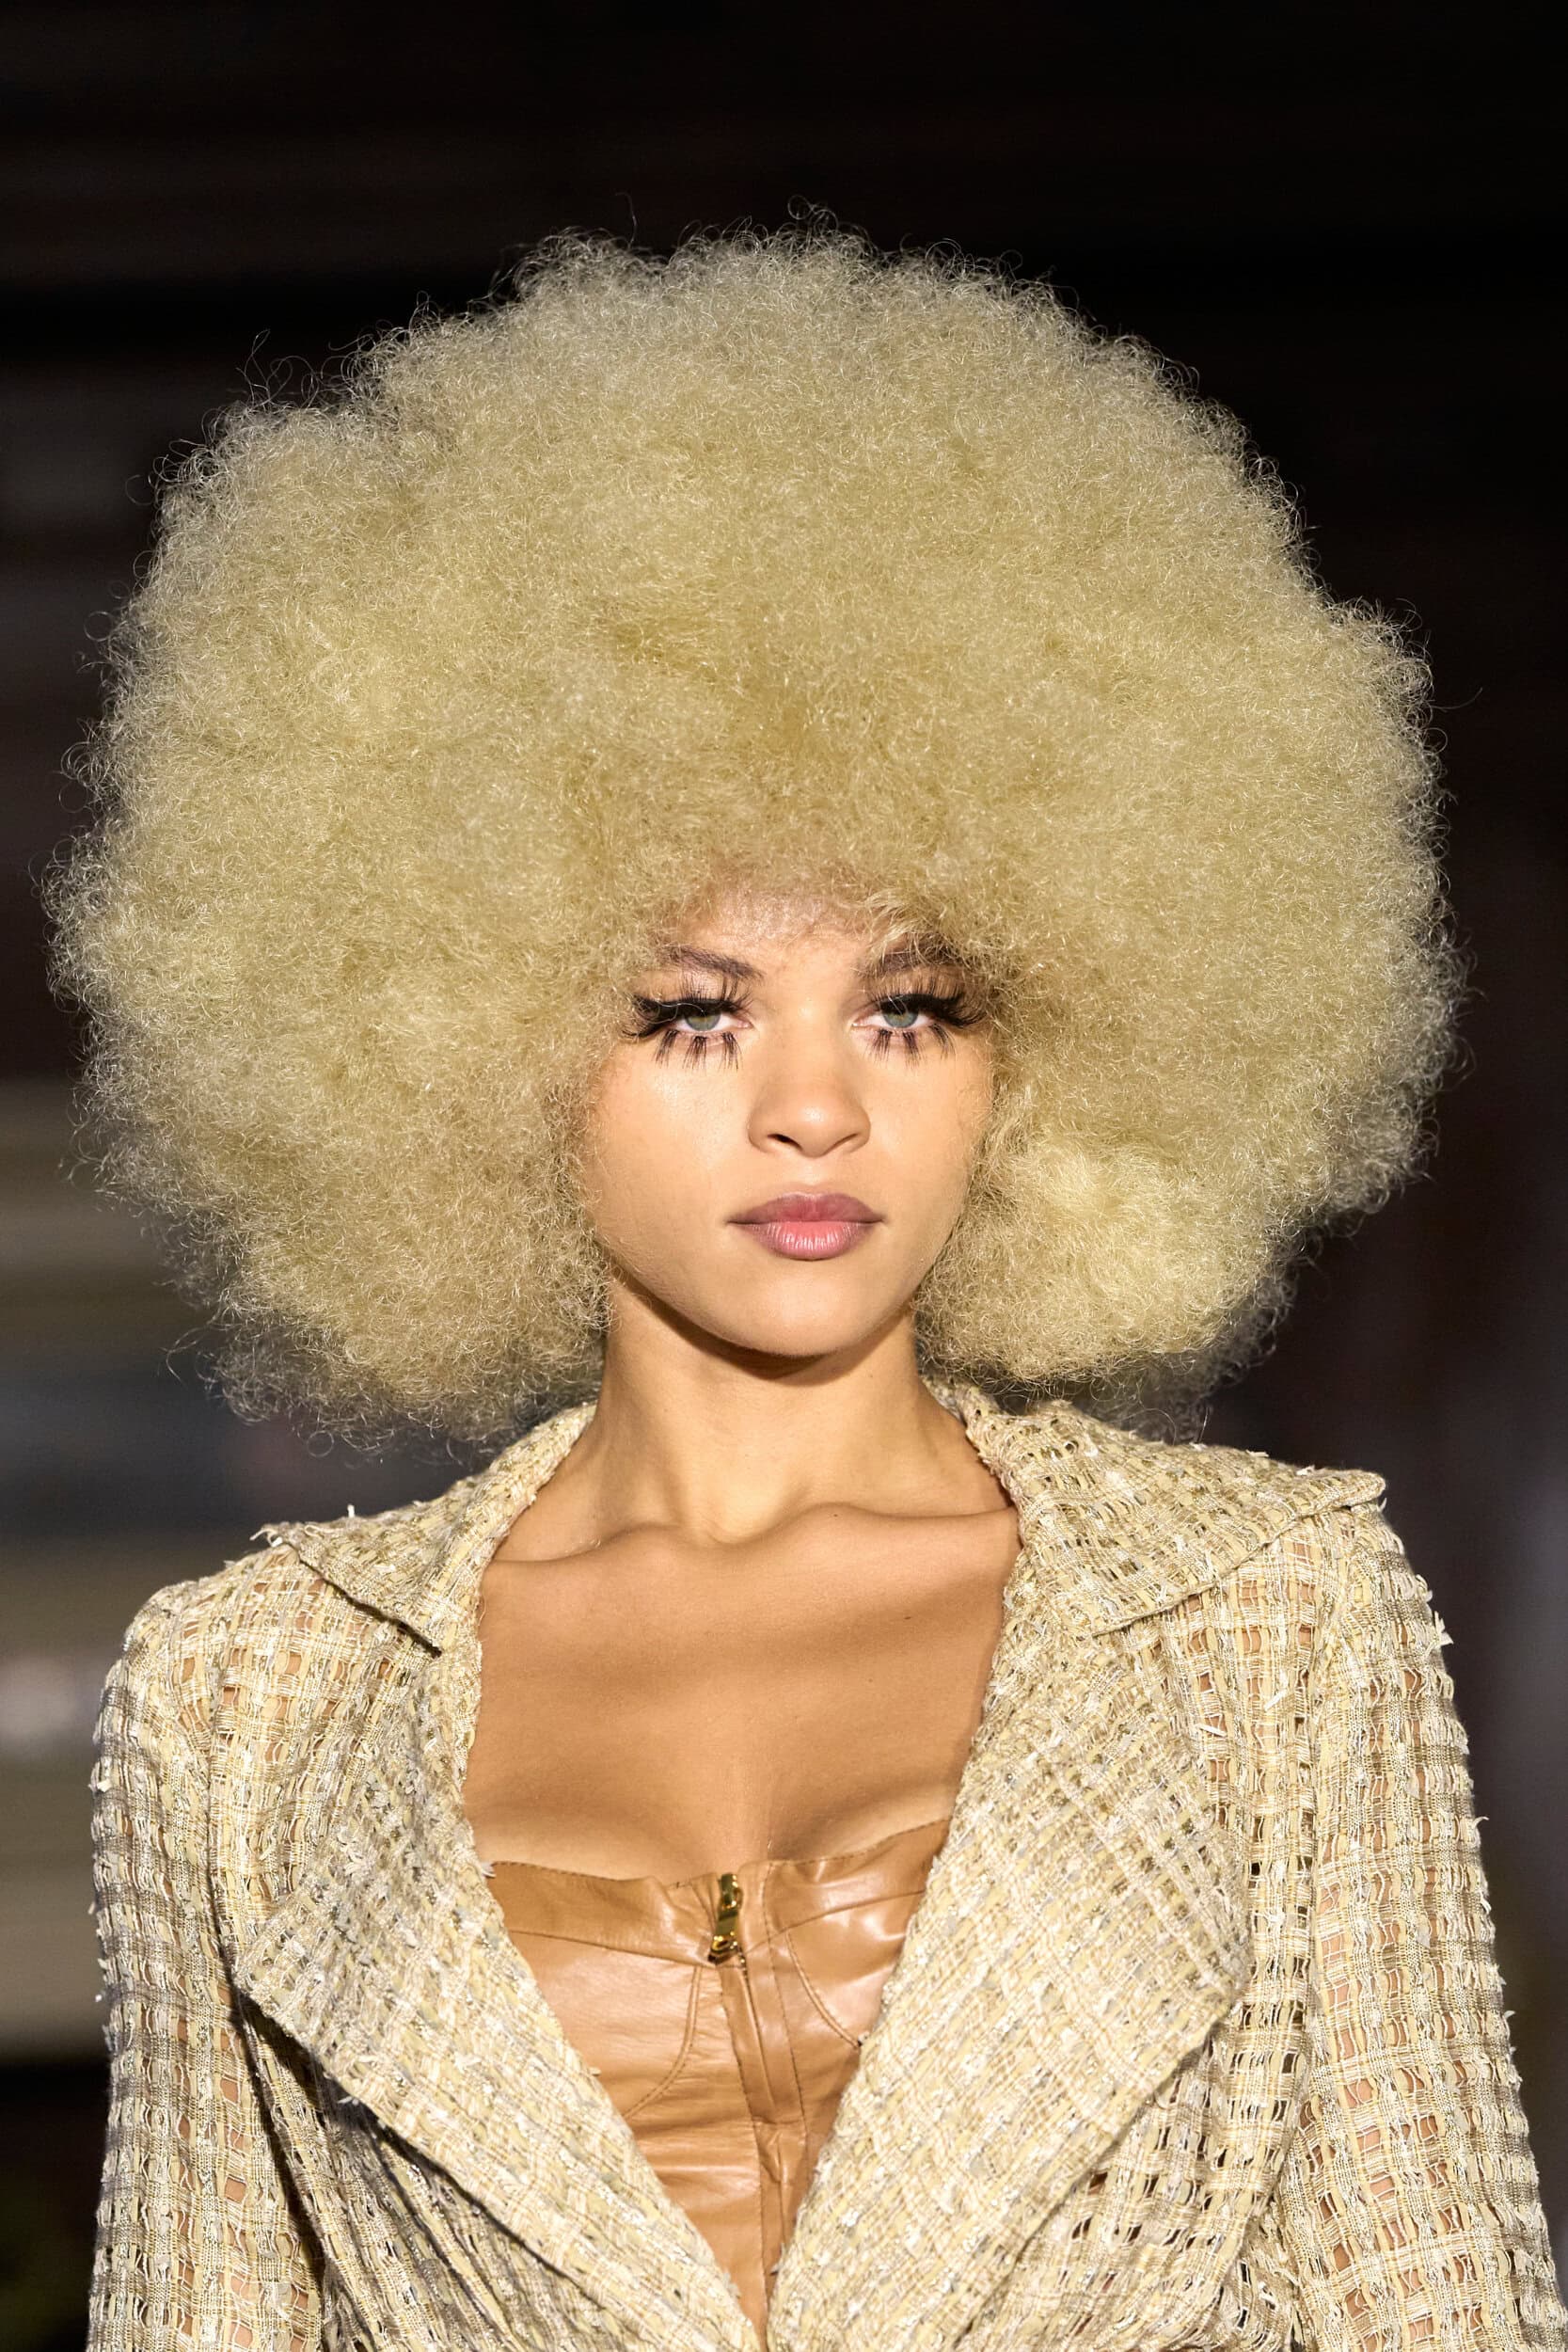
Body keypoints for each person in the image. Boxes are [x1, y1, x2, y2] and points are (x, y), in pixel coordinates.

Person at [52, 226, 1564, 2351]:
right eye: (693, 1012)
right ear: (458, 1029)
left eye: (911, 1005)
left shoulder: (1271, 1623)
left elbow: (1438, 2305)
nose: (818, 1109)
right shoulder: (250, 1703)